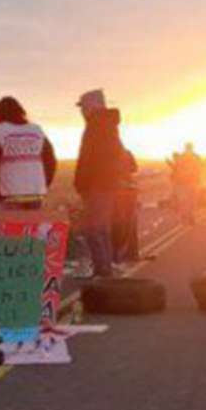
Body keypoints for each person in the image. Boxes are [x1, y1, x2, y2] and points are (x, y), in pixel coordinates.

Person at [74, 89, 127, 278]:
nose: (82, 111)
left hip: (97, 185)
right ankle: (105, 267)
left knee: (93, 229)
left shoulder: (97, 125)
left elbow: (90, 159)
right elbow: (117, 155)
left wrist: (83, 183)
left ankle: (102, 269)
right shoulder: (108, 124)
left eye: (83, 106)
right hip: (106, 184)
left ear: (92, 106)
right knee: (101, 228)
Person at [0, 96, 57, 210]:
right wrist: (43, 183)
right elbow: (51, 161)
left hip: (9, 194)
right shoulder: (36, 130)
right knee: (32, 226)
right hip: (35, 193)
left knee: (10, 226)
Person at [170, 143, 203, 225]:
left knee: (186, 201)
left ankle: (186, 216)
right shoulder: (196, 157)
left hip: (184, 182)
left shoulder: (182, 157)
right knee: (191, 201)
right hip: (190, 182)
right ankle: (189, 216)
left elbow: (176, 168)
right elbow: (200, 167)